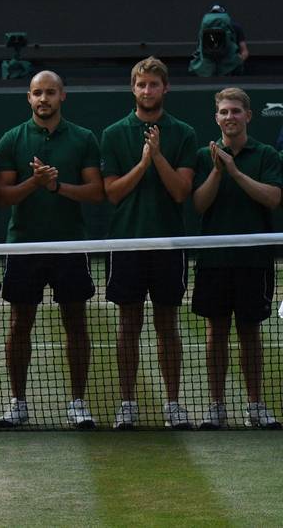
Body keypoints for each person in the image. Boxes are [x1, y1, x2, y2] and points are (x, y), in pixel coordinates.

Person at [0, 72, 103, 429]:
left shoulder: (84, 138)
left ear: (62, 96)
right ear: (29, 98)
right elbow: (2, 197)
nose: (44, 99)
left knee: (76, 324)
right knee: (19, 324)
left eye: (50, 92)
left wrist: (56, 187)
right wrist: (35, 182)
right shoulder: (12, 139)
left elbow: (95, 192)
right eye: (38, 93)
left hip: (70, 245)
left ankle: (78, 402)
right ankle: (18, 402)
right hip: (24, 246)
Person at [100, 57, 195, 430]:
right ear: (133, 88)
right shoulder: (113, 133)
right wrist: (143, 164)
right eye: (141, 84)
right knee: (128, 324)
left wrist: (157, 157)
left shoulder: (183, 133)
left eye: (154, 84)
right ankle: (127, 404)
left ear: (165, 88)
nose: (147, 90)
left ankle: (173, 404)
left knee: (167, 324)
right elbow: (112, 193)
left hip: (168, 244)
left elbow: (181, 191)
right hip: (127, 243)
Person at [192, 88, 281, 430]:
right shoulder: (204, 156)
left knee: (250, 333)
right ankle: (216, 406)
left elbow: (273, 198)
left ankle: (255, 406)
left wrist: (235, 171)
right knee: (215, 333)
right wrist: (218, 170)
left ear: (248, 116)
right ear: (216, 118)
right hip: (214, 260)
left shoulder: (267, 154)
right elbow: (199, 205)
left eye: (236, 111)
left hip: (254, 260)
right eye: (224, 112)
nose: (230, 117)